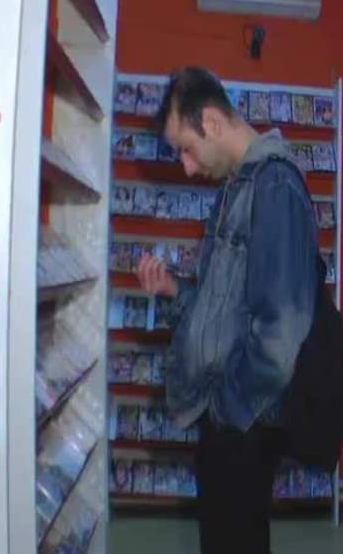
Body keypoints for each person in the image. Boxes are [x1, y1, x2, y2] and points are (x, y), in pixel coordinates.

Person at [135, 67, 318, 554]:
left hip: (243, 422)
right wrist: (174, 292)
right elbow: (222, 312)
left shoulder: (274, 187)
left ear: (212, 122)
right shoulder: (237, 188)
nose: (186, 167)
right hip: (227, 419)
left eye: (186, 148)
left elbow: (282, 330)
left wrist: (228, 408)